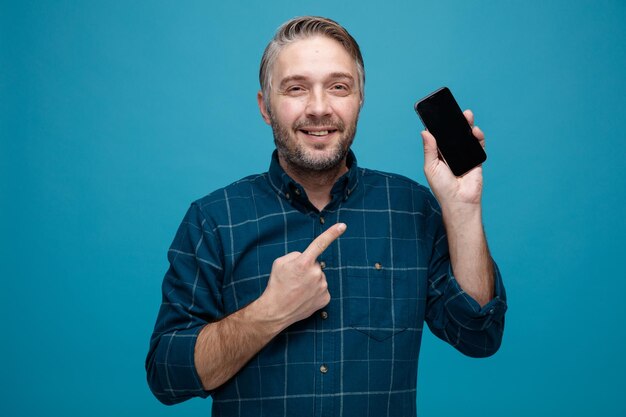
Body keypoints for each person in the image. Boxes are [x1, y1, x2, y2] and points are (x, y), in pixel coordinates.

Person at [146, 15, 507, 416]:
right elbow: (167, 376)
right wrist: (270, 312)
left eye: (338, 87)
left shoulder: (413, 209)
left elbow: (479, 336)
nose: (319, 108)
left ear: (360, 99)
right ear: (266, 107)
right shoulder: (213, 219)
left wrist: (463, 209)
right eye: (296, 88)